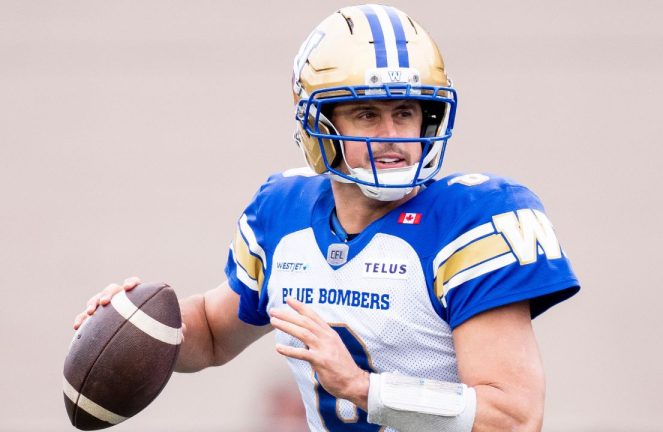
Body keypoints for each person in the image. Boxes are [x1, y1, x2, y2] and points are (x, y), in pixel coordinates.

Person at [73, 4, 579, 431]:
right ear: (318, 125)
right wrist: (138, 323)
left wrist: (364, 389)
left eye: (405, 112)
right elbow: (208, 333)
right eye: (366, 115)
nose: (394, 136)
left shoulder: (470, 219)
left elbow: (513, 416)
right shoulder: (284, 213)